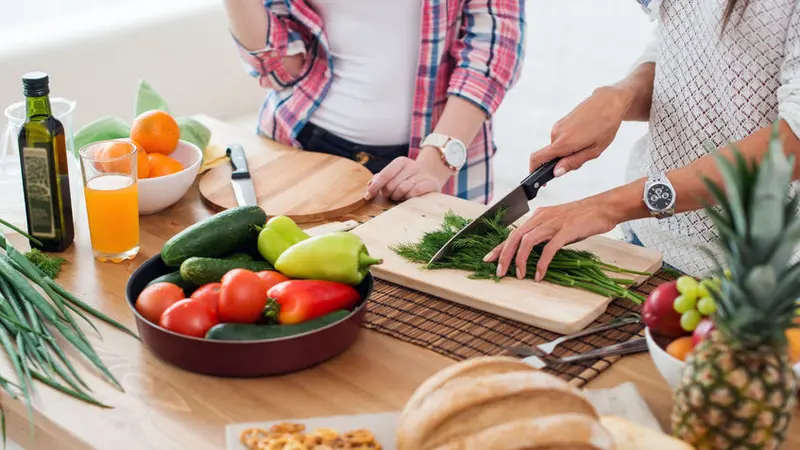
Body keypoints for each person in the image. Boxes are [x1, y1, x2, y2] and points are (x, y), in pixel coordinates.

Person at [486, 0, 800, 279]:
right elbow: (678, 44)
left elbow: (793, 145)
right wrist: (622, 95)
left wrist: (608, 206)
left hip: (766, 278)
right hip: (650, 246)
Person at [222, 0, 526, 205]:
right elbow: (282, 68)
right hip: (300, 145)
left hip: (431, 160)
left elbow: (494, 51)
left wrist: (435, 165)